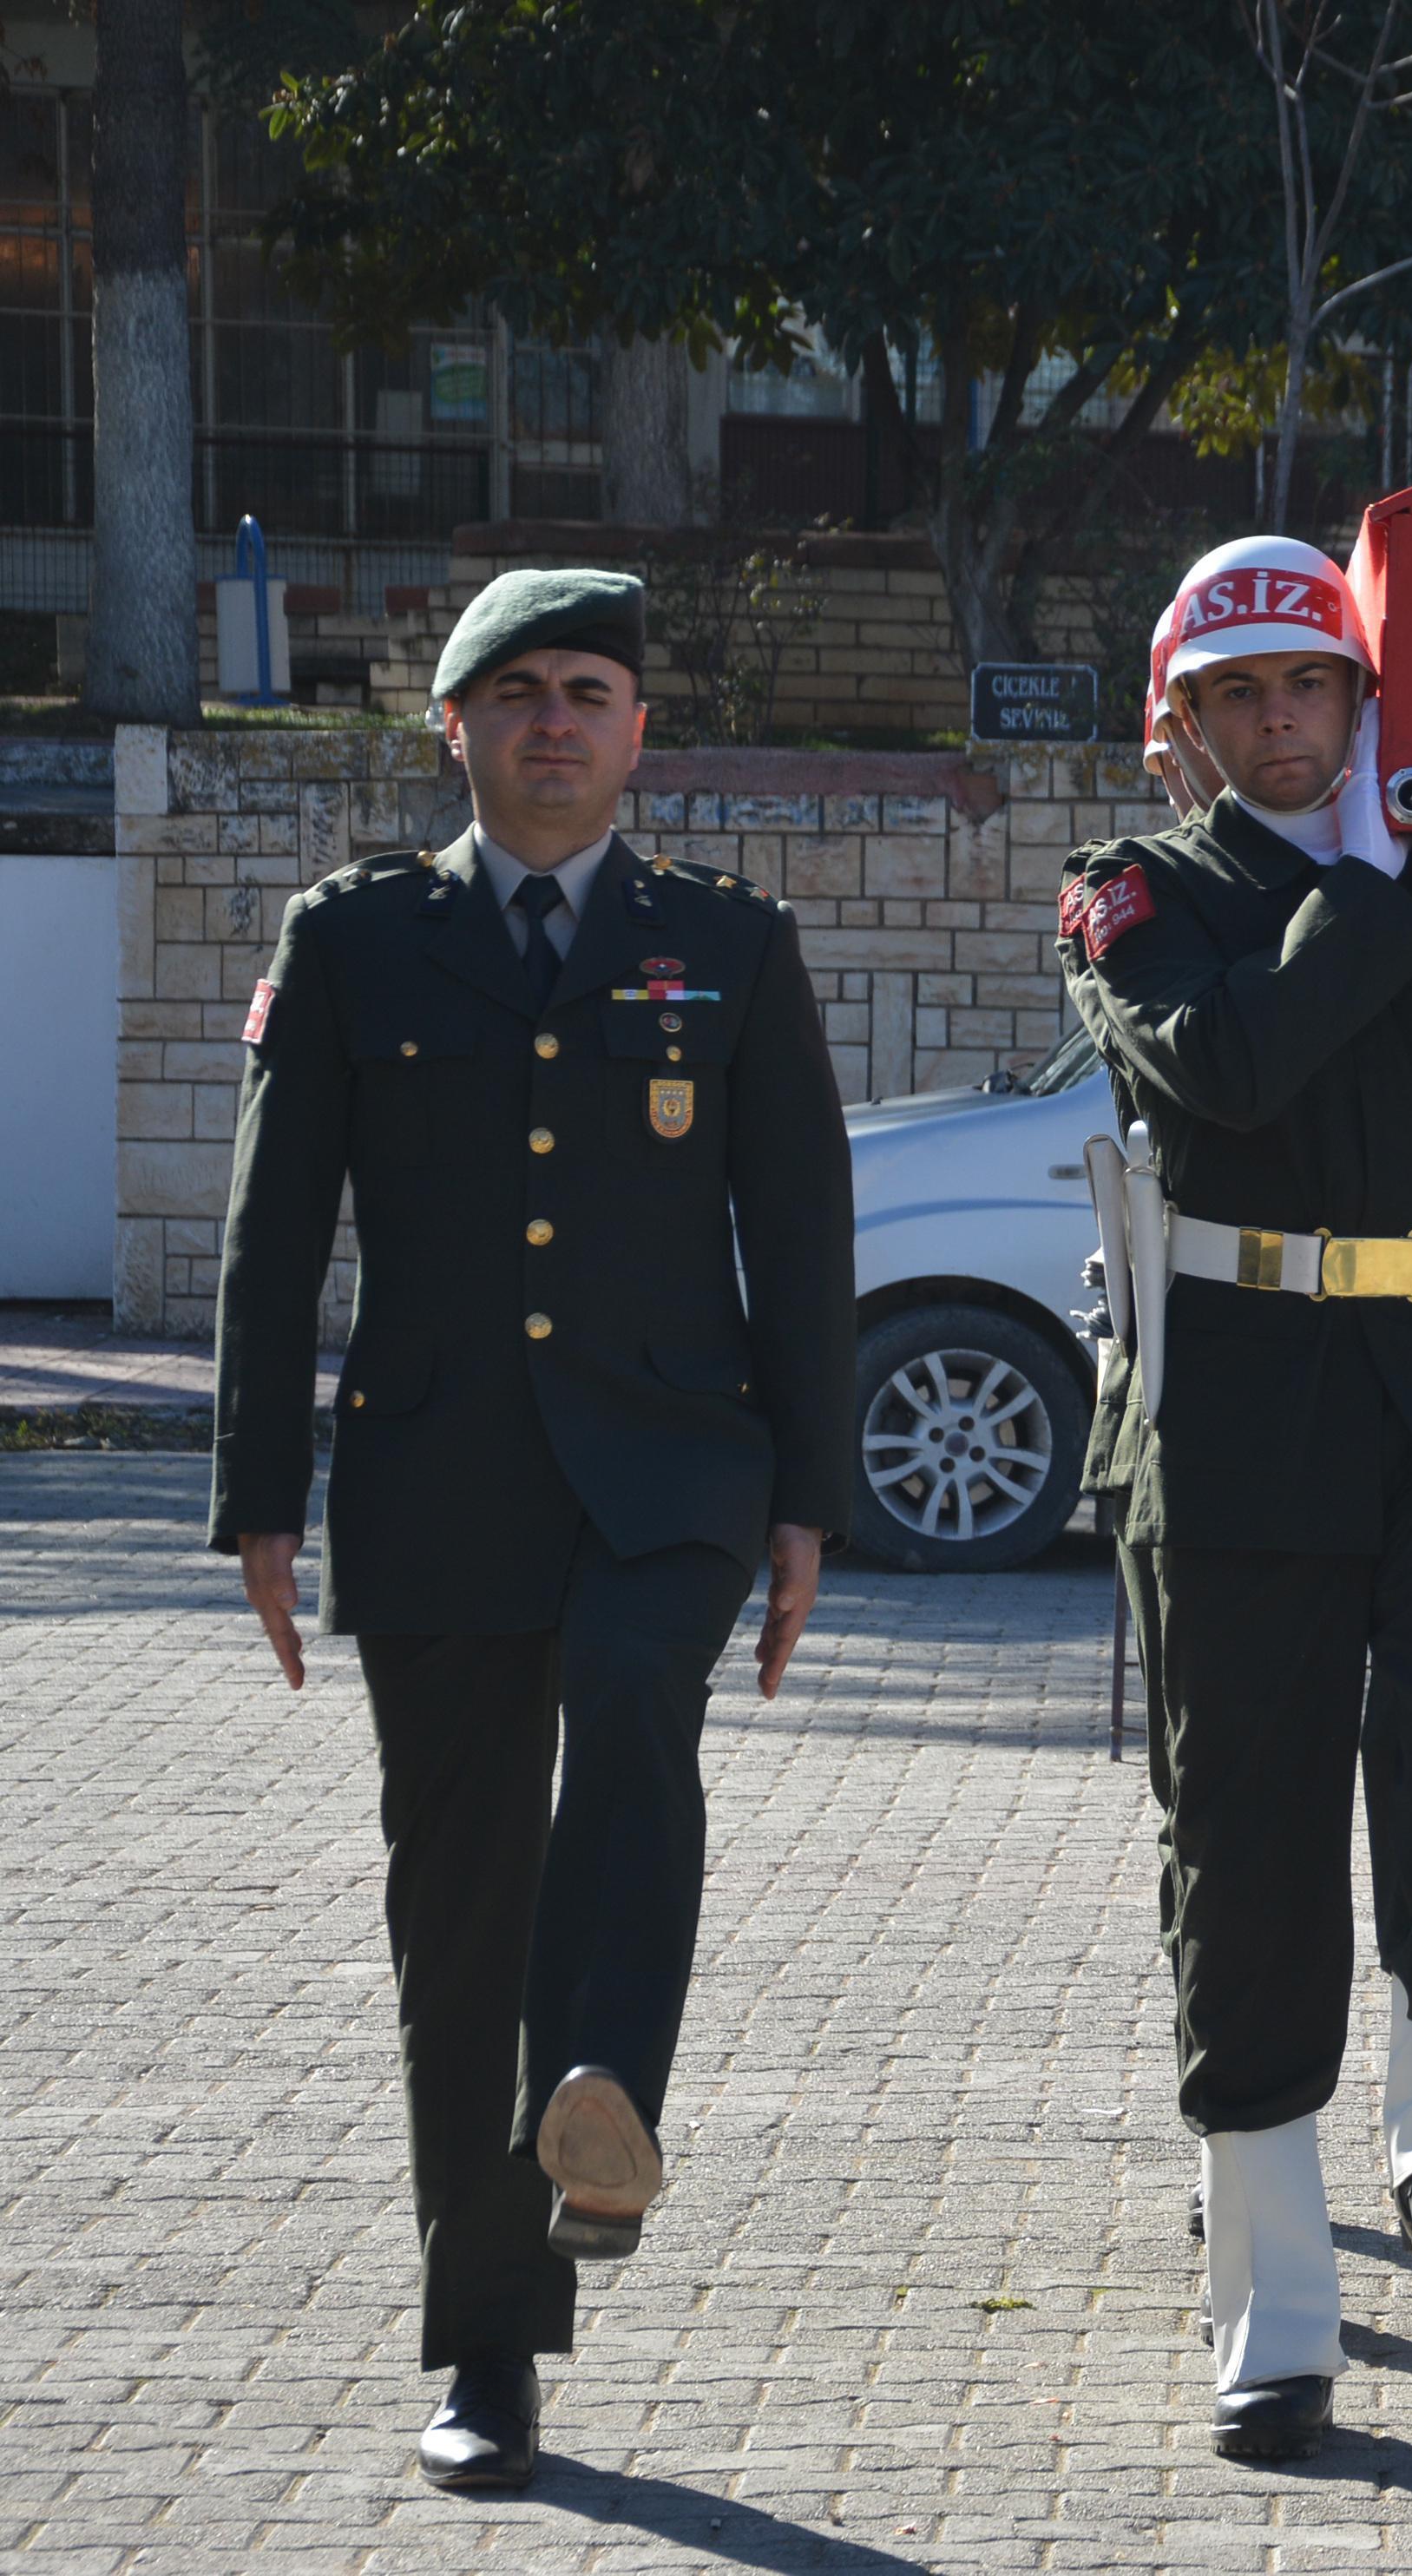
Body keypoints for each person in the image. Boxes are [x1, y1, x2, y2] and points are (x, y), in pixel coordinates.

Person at [207, 568, 855, 2494]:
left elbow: (802, 1237)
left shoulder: (725, 945)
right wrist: (256, 1491)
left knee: (634, 1699)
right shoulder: (356, 940)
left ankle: (607, 2097)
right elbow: (269, 1231)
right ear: (454, 731)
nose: (555, 721)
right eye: (515, 694)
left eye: (590, 690)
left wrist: (811, 1492)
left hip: (673, 1470)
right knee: (461, 1907)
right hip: (438, 1482)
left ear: (640, 732)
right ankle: (491, 2341)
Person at [1058, 536, 1412, 2465]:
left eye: (1315, 690)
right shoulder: (1135, 895)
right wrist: (1380, 890)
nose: (1283, 725)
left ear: (1369, 701)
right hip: (1241, 1413)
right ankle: (1273, 2292)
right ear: (1178, 729)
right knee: (1254, 1830)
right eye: (1240, 697)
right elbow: (1230, 1069)